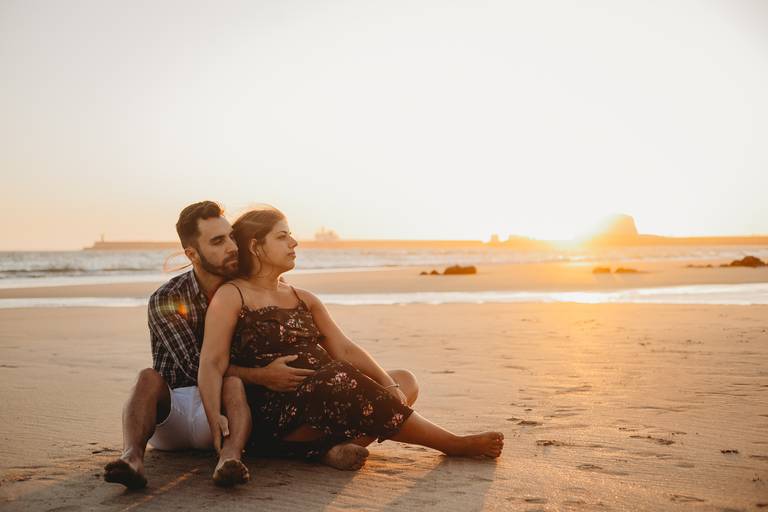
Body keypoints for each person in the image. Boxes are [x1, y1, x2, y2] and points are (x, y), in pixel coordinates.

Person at [198, 206, 504, 470]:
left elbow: (343, 347)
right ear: (255, 246)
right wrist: (257, 382)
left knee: (403, 380)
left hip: (330, 398)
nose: (294, 242)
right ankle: (451, 443)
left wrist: (389, 384)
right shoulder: (232, 295)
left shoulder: (302, 297)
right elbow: (213, 363)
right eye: (282, 236)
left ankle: (325, 452)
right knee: (340, 377)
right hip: (275, 412)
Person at [103, 201, 309, 489]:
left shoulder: (249, 290)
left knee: (234, 384)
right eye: (217, 241)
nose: (232, 247)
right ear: (192, 253)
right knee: (147, 378)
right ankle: (132, 459)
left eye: (231, 237)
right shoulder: (168, 297)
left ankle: (229, 459)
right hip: (171, 417)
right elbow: (193, 367)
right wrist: (262, 375)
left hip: (230, 413)